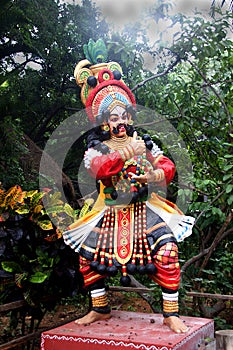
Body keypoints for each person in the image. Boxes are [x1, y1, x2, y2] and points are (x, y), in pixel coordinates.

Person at [63, 39, 194, 333]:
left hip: (143, 208)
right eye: (114, 117)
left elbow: (167, 165)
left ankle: (171, 313)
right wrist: (125, 154)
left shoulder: (143, 143)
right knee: (87, 255)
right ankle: (100, 309)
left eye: (124, 115)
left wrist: (154, 175)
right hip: (109, 210)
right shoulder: (96, 148)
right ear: (104, 121)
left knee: (167, 251)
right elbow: (98, 170)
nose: (121, 121)